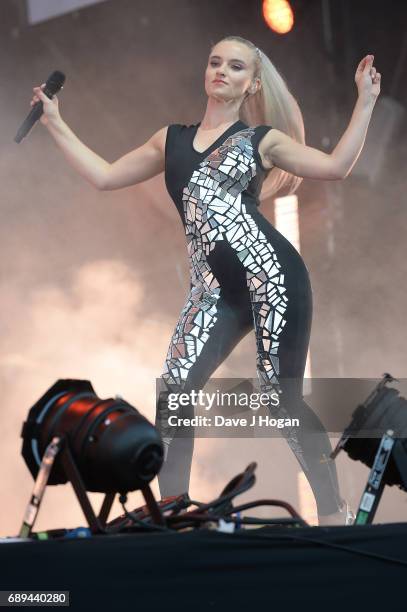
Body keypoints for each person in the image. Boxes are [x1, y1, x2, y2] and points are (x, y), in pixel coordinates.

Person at [30, 35, 380, 524]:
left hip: (272, 276)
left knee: (278, 397)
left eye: (235, 66)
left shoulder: (263, 141)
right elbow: (105, 176)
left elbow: (337, 167)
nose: (221, 71)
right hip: (213, 290)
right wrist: (55, 121)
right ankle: (173, 512)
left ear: (252, 82)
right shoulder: (169, 139)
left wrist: (365, 102)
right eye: (215, 62)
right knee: (174, 390)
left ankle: (333, 511)